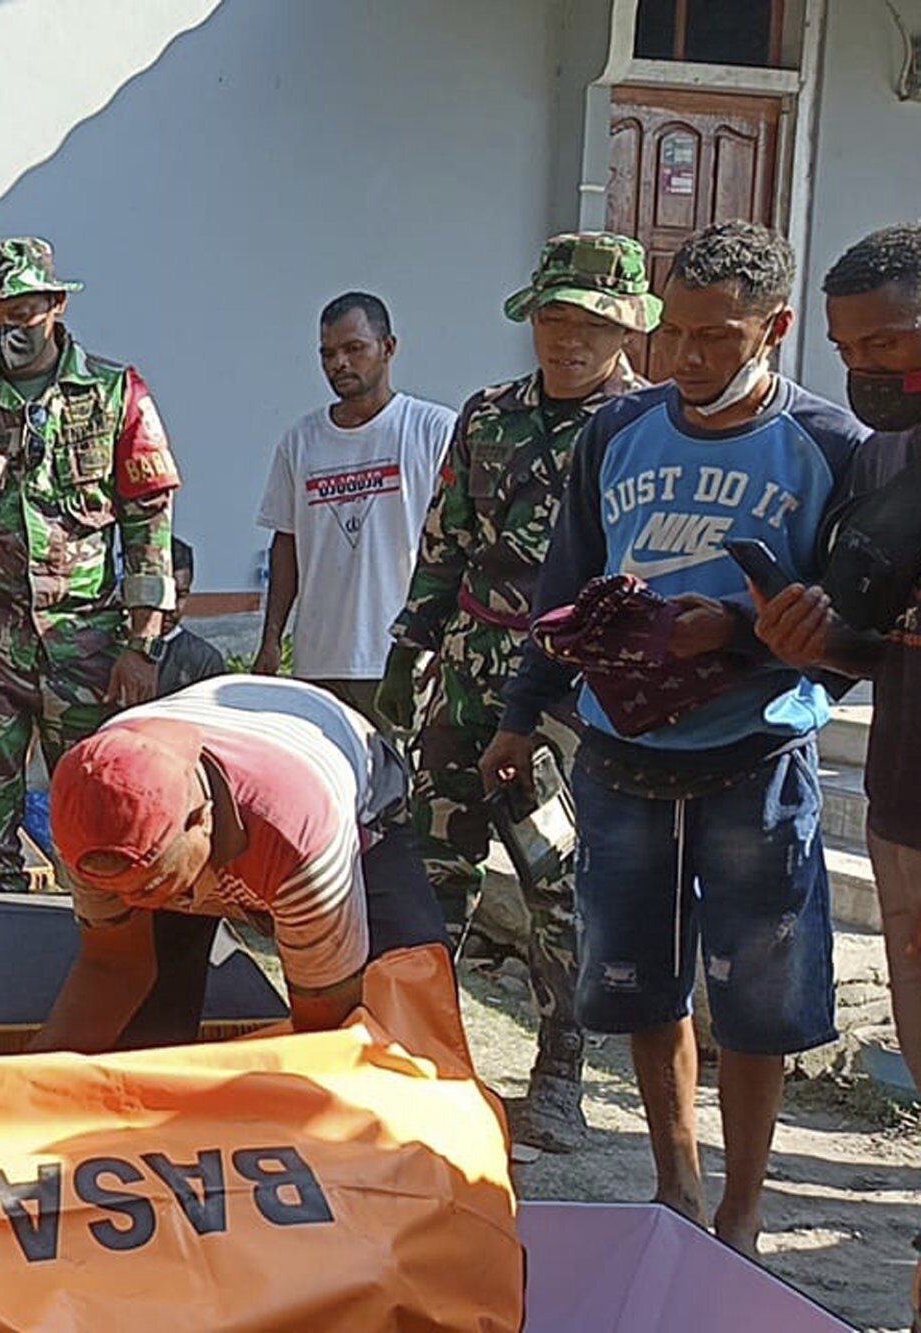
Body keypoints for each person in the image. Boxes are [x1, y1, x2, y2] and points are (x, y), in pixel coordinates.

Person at [485, 221, 869, 1256]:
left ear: (773, 329)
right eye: (674, 336)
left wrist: (737, 635)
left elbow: (848, 627)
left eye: (716, 337)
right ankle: (675, 1193)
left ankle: (741, 1213)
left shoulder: (831, 447)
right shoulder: (616, 434)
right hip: (618, 756)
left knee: (756, 993)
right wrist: (521, 713)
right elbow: (561, 590)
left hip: (754, 758)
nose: (687, 359)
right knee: (641, 986)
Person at [380, 233, 656, 1151]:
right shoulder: (489, 415)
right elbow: (446, 537)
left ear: (626, 329)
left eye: (590, 323)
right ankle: (415, 1051)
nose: (567, 339)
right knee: (432, 862)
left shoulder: (645, 428)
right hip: (466, 671)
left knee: (556, 877)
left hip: (569, 699)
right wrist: (410, 642)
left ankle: (559, 1073)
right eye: (552, 318)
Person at [0, 237, 180, 894]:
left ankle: (102, 954)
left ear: (54, 305)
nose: (2, 331)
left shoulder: (115, 395)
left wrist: (143, 643)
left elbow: (149, 523)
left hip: (89, 642)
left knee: (101, 806)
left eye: (18, 314)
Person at [29, 675, 447, 1052]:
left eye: (147, 884)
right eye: (114, 889)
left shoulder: (299, 838)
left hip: (346, 787)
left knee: (396, 1023)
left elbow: (324, 1026)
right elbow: (112, 969)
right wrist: (28, 1089)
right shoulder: (88, 810)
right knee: (144, 1040)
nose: (130, 899)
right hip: (209, 803)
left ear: (201, 820)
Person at [752, 222, 921, 1110]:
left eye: (886, 343)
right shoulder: (882, 454)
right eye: (848, 349)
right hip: (903, 792)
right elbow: (874, 650)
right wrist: (813, 644)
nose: (864, 369)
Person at [254, 293, 455, 729]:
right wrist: (271, 640)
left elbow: (462, 543)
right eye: (328, 353)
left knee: (396, 788)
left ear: (388, 347)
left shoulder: (434, 430)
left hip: (399, 662)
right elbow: (285, 544)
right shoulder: (301, 440)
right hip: (317, 662)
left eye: (353, 349)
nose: (339, 363)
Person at [157, 538, 228, 698]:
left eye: (181, 595)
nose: (171, 607)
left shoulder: (204, 660)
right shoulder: (109, 648)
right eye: (161, 594)